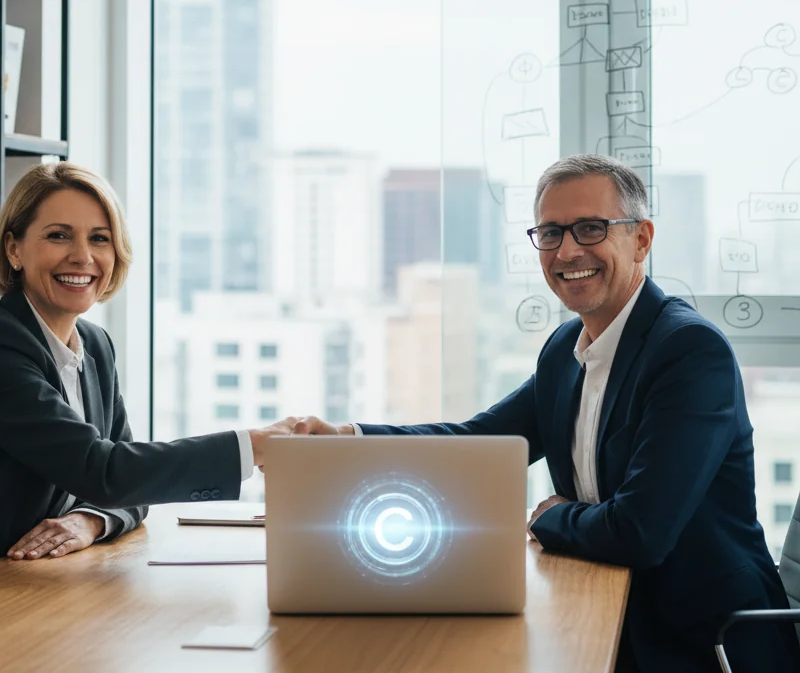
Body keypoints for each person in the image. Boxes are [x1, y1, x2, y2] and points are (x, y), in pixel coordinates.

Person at [290, 155, 800, 673]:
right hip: (604, 609)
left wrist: (550, 516)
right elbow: (479, 440)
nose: (568, 250)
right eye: (551, 233)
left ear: (641, 239)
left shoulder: (689, 352)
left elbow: (639, 533)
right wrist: (344, 439)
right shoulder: (565, 350)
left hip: (703, 642)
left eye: (590, 228)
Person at [0, 162, 291, 599]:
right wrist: (251, 446)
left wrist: (91, 520)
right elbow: (105, 472)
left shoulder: (94, 346)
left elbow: (130, 486)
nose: (82, 257)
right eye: (59, 235)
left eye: (99, 239)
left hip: (35, 586)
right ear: (14, 249)